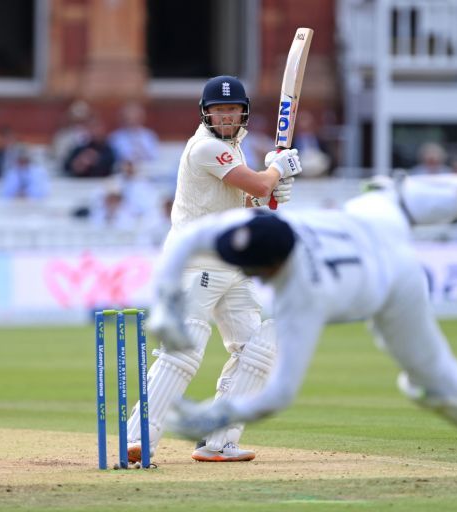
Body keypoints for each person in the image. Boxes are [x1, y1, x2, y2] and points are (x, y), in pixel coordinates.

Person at [148, 168, 457, 506]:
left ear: (269, 269)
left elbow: (280, 394)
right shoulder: (275, 223)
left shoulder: (301, 296)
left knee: (431, 386)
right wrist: (167, 302)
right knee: (392, 194)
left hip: (393, 285)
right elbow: (190, 238)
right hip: (367, 223)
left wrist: (212, 416)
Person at [125, 75, 302, 464]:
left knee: (260, 346)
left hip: (231, 265)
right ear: (206, 114)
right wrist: (274, 173)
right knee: (182, 354)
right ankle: (136, 439)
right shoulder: (205, 148)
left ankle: (219, 439)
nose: (225, 116)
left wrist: (272, 192)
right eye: (218, 110)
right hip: (195, 263)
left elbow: (247, 198)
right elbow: (256, 183)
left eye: (232, 110)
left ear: (242, 113)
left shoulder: (233, 149)